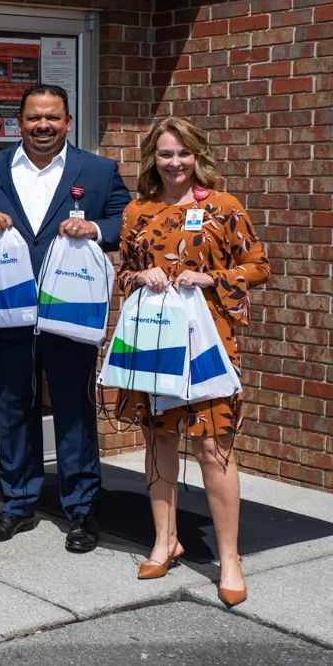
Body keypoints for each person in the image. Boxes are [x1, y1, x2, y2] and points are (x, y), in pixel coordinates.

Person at [0, 83, 130, 553]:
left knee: (74, 409)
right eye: (34, 118)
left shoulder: (97, 170)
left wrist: (95, 228)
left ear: (68, 122)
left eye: (53, 118)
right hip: (7, 309)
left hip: (68, 309)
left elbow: (126, 219)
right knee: (12, 406)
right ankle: (18, 503)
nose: (43, 126)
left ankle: (81, 508)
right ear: (18, 122)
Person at [113, 117, 268, 608]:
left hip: (207, 346)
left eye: (182, 154)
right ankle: (166, 540)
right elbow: (121, 273)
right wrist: (142, 276)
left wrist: (210, 279)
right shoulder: (137, 210)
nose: (174, 163)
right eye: (165, 154)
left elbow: (258, 266)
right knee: (158, 439)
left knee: (212, 449)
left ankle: (229, 559)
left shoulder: (223, 207)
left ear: (197, 156)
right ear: (151, 159)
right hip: (156, 344)